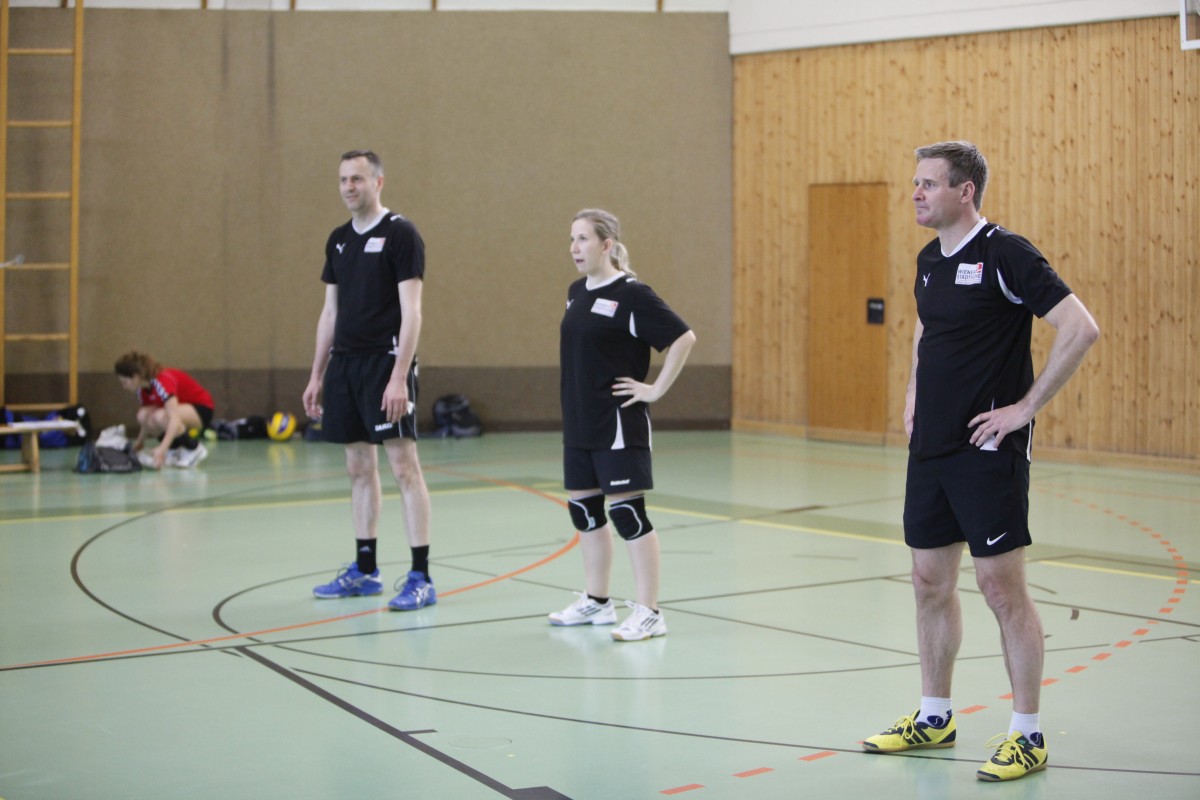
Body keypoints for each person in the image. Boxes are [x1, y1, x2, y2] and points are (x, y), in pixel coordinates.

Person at [862, 141, 1099, 781]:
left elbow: (1080, 327)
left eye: (929, 183)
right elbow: (926, 328)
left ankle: (1028, 734)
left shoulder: (1005, 254)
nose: (916, 193)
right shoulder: (928, 260)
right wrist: (913, 391)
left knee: (1001, 589)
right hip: (930, 449)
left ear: (965, 191)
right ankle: (934, 717)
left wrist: (1024, 408)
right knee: (928, 581)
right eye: (915, 182)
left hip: (987, 450)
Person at [548, 208, 696, 642]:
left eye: (583, 239)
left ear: (607, 245)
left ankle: (650, 612)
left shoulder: (632, 294)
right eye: (571, 239)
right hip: (579, 421)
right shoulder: (576, 292)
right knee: (584, 511)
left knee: (627, 515)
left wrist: (655, 389)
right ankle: (597, 602)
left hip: (617, 422)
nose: (574, 248)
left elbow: (683, 337)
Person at [303, 149, 435, 612]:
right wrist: (317, 373)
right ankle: (365, 570)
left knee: (403, 467)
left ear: (378, 182)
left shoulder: (401, 234)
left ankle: (421, 577)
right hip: (345, 366)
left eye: (357, 179)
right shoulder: (338, 240)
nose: (349, 187)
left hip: (386, 363)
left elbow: (412, 311)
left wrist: (399, 377)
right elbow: (330, 313)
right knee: (358, 467)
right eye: (343, 179)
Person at [114, 351, 213, 469]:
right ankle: (174, 449)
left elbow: (174, 418)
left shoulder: (162, 380)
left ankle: (194, 448)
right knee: (143, 415)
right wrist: (139, 443)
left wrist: (162, 448)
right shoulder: (142, 390)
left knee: (160, 416)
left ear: (136, 376)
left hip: (201, 409)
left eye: (125, 382)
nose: (124, 387)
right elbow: (146, 422)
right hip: (179, 410)